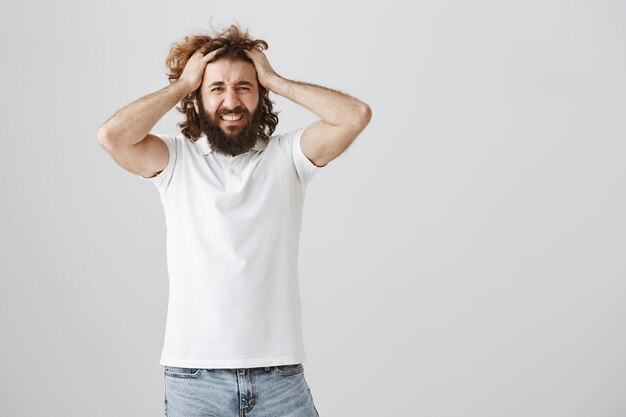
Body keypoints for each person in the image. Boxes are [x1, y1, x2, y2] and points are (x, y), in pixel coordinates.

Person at [98, 23, 371, 417]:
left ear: (261, 96)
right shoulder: (176, 161)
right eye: (216, 88)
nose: (232, 100)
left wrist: (275, 79)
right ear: (197, 98)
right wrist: (182, 84)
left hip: (280, 379)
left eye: (244, 87)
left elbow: (355, 115)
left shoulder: (288, 157)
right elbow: (113, 137)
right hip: (195, 381)